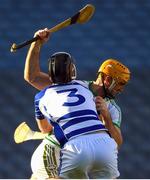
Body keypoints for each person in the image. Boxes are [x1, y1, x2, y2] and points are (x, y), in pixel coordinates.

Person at [24, 28, 130, 179]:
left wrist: (106, 118)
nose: (121, 89)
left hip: (80, 150)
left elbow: (117, 143)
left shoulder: (113, 108)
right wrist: (37, 43)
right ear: (107, 79)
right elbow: (33, 77)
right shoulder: (74, 85)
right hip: (57, 148)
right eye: (119, 84)